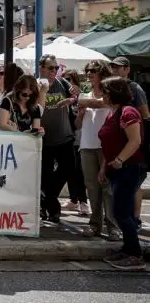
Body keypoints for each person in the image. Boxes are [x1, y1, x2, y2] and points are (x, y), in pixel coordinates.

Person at [98, 77, 147, 270]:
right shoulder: (114, 113)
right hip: (116, 170)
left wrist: (119, 160)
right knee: (120, 211)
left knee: (121, 212)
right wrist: (104, 167)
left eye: (105, 91)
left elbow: (135, 141)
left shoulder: (128, 112)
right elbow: (108, 143)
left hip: (129, 168)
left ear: (113, 93)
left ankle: (135, 255)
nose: (102, 95)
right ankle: (128, 248)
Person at [76, 60, 121, 240]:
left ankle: (113, 226)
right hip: (86, 145)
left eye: (93, 70)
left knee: (107, 188)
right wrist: (80, 113)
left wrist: (80, 100)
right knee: (92, 188)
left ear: (102, 72)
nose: (89, 73)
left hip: (106, 147)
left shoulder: (109, 96)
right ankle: (95, 224)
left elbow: (103, 104)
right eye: (87, 70)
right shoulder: (86, 95)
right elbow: (77, 125)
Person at [37, 54, 79, 223]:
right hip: (44, 139)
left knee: (68, 170)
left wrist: (72, 98)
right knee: (44, 175)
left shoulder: (63, 83)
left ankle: (47, 198)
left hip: (64, 136)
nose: (54, 71)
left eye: (56, 68)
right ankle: (52, 209)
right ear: (41, 69)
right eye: (51, 68)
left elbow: (75, 96)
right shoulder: (36, 85)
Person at [109, 56, 149, 230]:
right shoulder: (114, 93)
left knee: (132, 190)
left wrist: (120, 159)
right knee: (121, 204)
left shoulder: (134, 90)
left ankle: (136, 220)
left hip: (132, 153)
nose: (115, 70)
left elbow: (146, 115)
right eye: (113, 67)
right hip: (120, 153)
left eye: (119, 67)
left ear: (127, 69)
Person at [61, 69, 90, 216]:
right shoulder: (62, 96)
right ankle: (74, 200)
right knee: (70, 171)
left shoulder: (83, 97)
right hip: (68, 139)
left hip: (81, 139)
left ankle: (83, 201)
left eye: (70, 79)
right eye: (65, 79)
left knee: (79, 172)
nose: (67, 83)